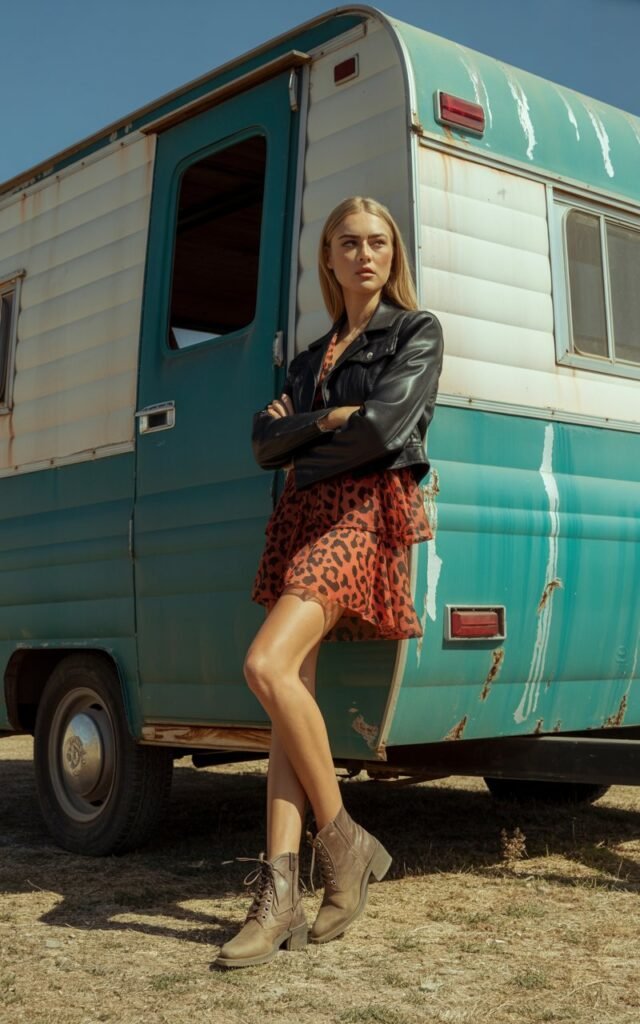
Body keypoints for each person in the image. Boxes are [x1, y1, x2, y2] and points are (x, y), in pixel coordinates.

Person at [214, 196, 443, 969]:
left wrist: (310, 432)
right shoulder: (311, 360)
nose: (366, 254)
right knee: (288, 704)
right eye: (350, 242)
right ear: (329, 257)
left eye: (379, 242)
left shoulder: (415, 331)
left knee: (265, 666)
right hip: (303, 517)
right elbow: (260, 442)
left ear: (393, 254)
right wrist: (323, 419)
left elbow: (383, 429)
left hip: (362, 513)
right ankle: (280, 893)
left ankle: (344, 841)